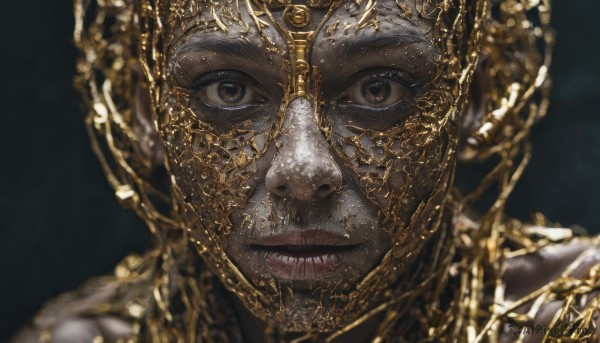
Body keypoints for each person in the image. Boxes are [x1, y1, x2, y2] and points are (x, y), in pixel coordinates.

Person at [11, 0, 600, 342]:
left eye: (379, 87)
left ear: (476, 99)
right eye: (228, 89)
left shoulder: (573, 319)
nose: (302, 169)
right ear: (147, 113)